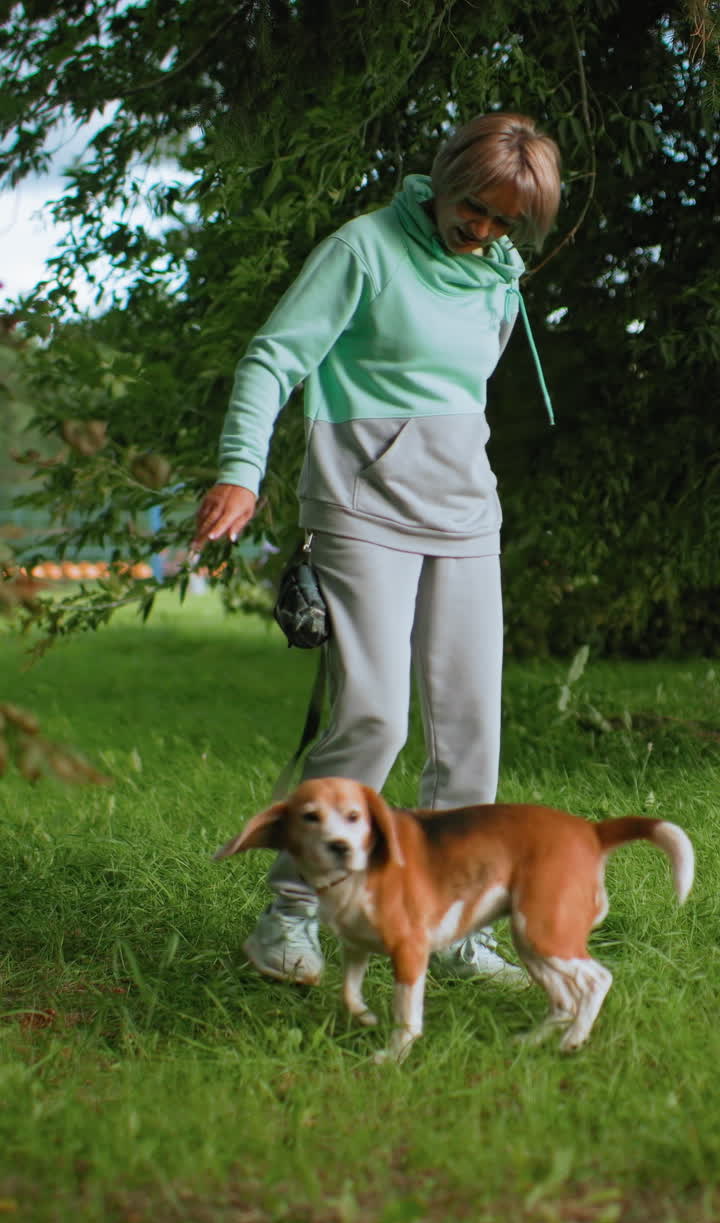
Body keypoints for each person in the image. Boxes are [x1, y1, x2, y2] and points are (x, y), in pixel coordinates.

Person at [193, 111, 561, 988]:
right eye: (477, 208)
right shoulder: (361, 250)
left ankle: (457, 924)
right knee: (374, 714)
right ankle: (288, 914)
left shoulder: (498, 279)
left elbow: (464, 390)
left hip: (466, 515)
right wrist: (242, 472)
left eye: (510, 222)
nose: (486, 230)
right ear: (445, 178)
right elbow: (273, 358)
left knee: (471, 732)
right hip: (361, 504)